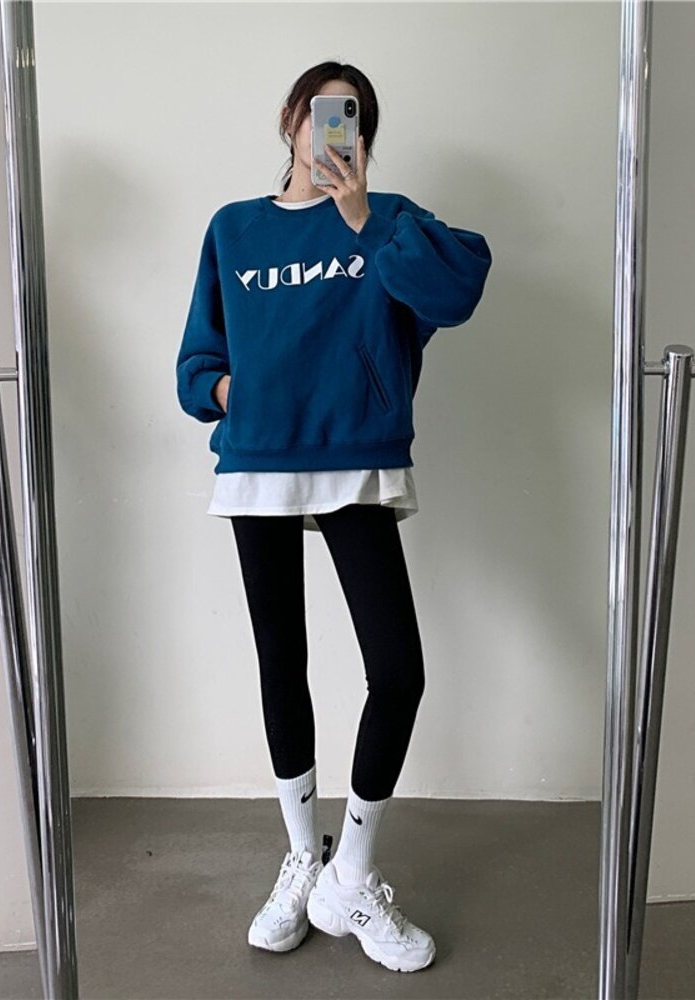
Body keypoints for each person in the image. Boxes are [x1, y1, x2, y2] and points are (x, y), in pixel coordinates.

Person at [176, 61, 492, 974]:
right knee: (283, 660)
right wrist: (228, 392)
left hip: (355, 455)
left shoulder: (387, 221)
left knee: (397, 669)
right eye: (321, 112)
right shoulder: (233, 228)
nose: (333, 131)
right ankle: (300, 859)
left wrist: (362, 223)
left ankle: (350, 872)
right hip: (260, 462)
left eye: (352, 118)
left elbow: (457, 294)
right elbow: (198, 358)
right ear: (291, 118)